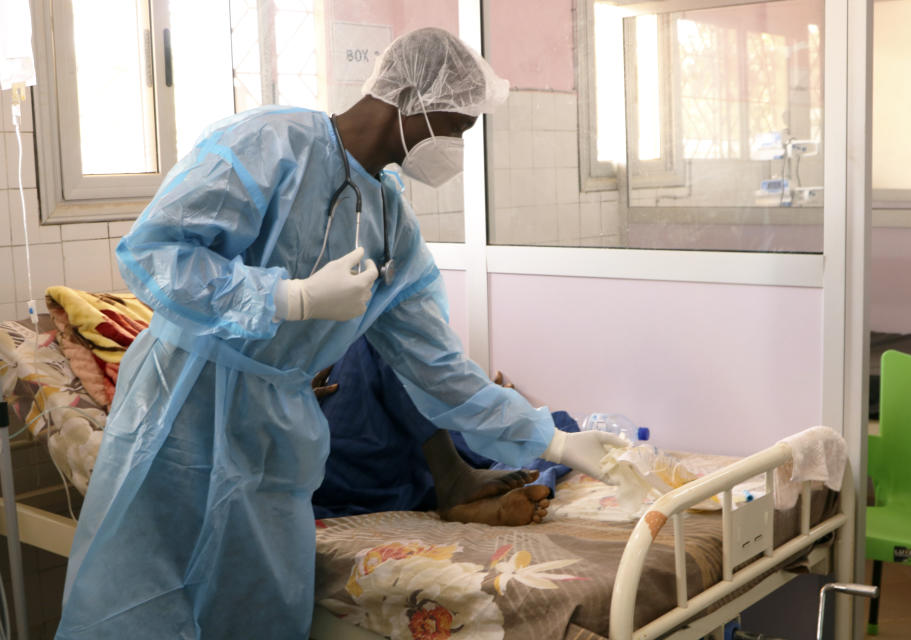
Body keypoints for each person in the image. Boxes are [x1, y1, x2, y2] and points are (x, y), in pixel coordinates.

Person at [56, 27, 621, 639]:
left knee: (258, 604)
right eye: (455, 126)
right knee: (144, 594)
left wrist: (553, 441)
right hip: (183, 404)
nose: (458, 146)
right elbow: (155, 253)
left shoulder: (391, 224)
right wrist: (287, 297)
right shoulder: (269, 143)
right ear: (409, 95)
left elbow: (437, 368)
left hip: (276, 431)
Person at [311, 336, 581, 526]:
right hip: (314, 456)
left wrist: (482, 397)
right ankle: (455, 483)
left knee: (556, 426)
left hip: (382, 470)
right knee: (378, 337)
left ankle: (464, 494)